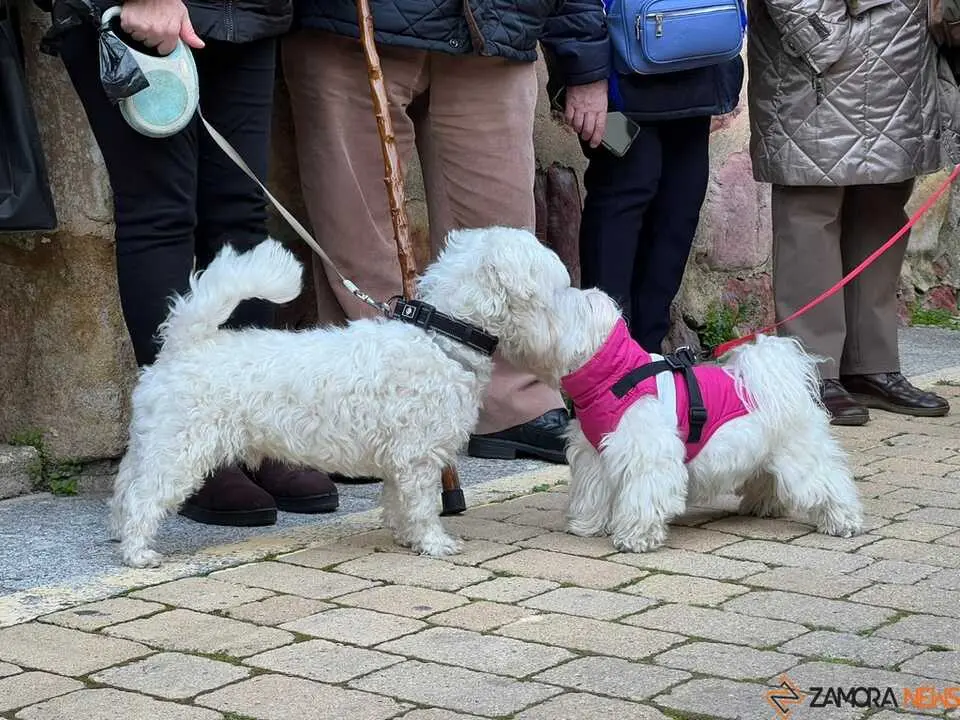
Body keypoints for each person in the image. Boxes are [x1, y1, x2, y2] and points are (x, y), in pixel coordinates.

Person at [45, 0, 340, 524]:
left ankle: (254, 431)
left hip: (245, 13)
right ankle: (188, 437)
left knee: (241, 211)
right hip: (135, 14)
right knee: (160, 213)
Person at [280, 0, 610, 467]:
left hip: (495, 27)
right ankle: (369, 416)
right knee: (358, 237)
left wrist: (582, 58)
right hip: (352, 28)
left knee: (502, 244)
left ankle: (508, 400)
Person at [748, 0, 957, 425]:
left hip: (903, 53)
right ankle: (813, 371)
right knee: (811, 211)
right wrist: (819, 34)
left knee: (881, 207)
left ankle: (870, 365)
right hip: (822, 60)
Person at [552, 59, 744, 353]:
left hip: (696, 64)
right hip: (613, 78)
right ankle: (606, 356)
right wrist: (583, 71)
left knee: (679, 201)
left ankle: (649, 359)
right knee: (626, 183)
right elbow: (574, 13)